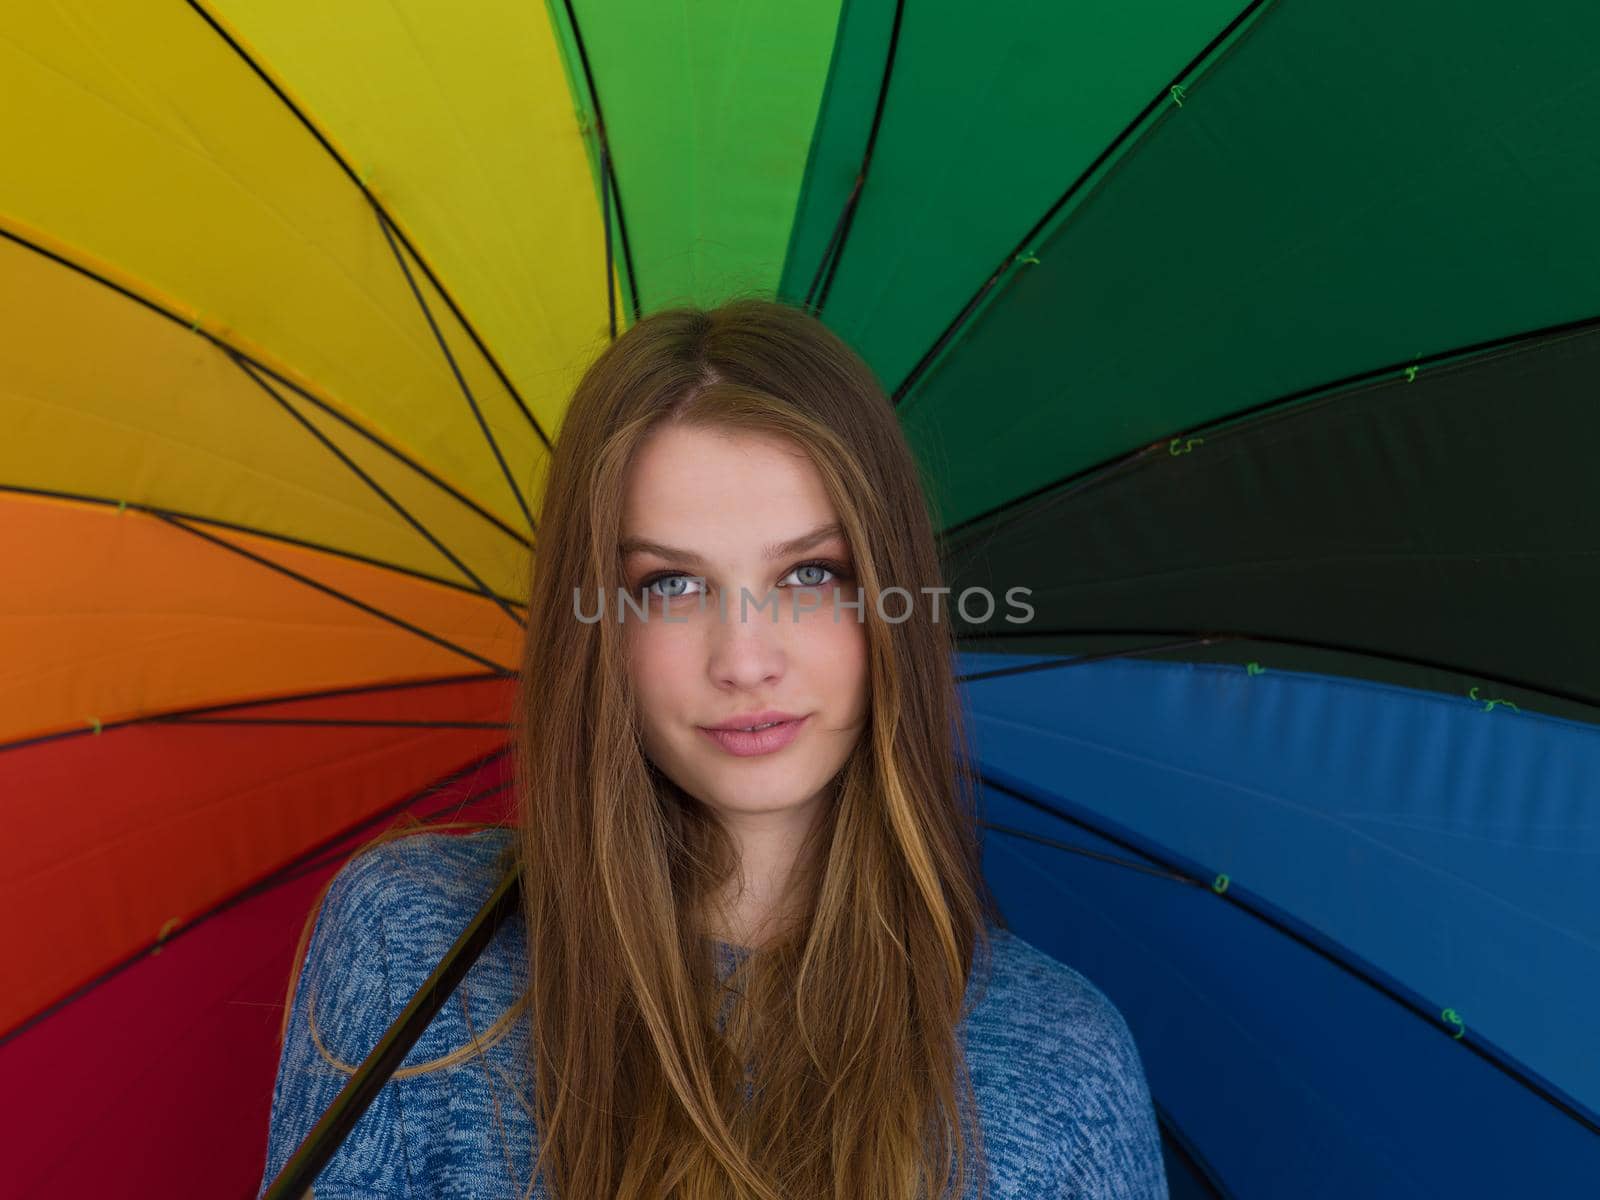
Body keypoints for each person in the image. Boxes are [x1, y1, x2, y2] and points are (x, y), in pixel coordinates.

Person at [256, 297, 1168, 1199]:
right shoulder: (410, 951)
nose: (743, 659)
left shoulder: (1060, 1068)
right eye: (669, 585)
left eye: (811, 573)